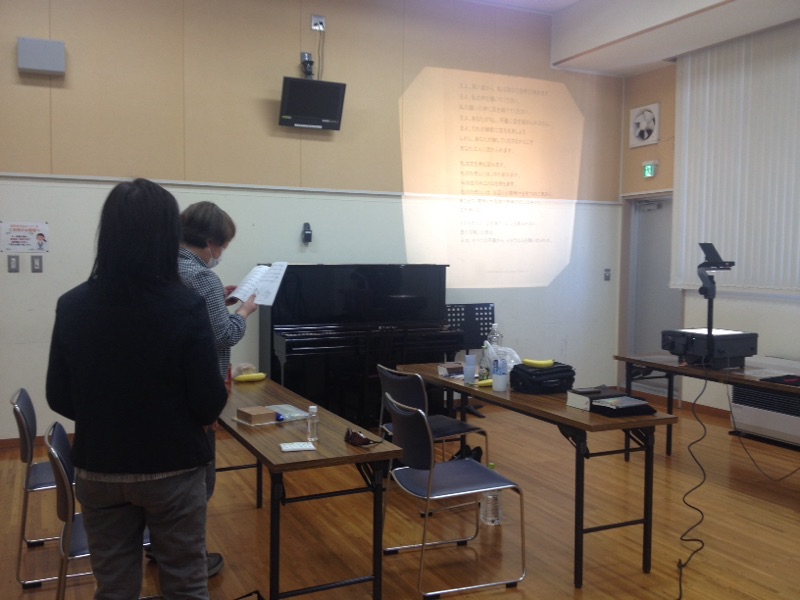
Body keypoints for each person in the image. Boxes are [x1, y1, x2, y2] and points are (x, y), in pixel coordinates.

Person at [46, 178, 229, 599]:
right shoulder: (186, 305)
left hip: (99, 467)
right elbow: (208, 403)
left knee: (114, 587)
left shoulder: (72, 305)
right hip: (173, 468)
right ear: (167, 236)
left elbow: (59, 396)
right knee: (185, 582)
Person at [177, 200, 258, 576]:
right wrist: (242, 312)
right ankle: (189, 561)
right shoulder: (201, 276)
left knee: (176, 481)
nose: (221, 252)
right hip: (199, 393)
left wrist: (219, 300)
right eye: (223, 245)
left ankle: (163, 548)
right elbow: (223, 335)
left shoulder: (165, 266)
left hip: (170, 389)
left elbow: (192, 320)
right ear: (210, 242)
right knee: (199, 482)